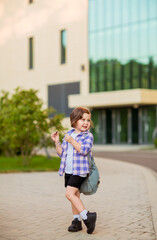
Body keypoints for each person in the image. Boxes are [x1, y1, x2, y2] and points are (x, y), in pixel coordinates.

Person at [51, 107, 97, 234]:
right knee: (74, 196)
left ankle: (88, 217)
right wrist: (57, 142)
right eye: (83, 119)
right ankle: (76, 222)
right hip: (69, 170)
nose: (86, 122)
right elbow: (62, 154)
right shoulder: (69, 134)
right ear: (74, 120)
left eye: (88, 120)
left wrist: (72, 141)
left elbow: (83, 150)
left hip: (80, 171)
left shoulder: (88, 136)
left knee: (69, 194)